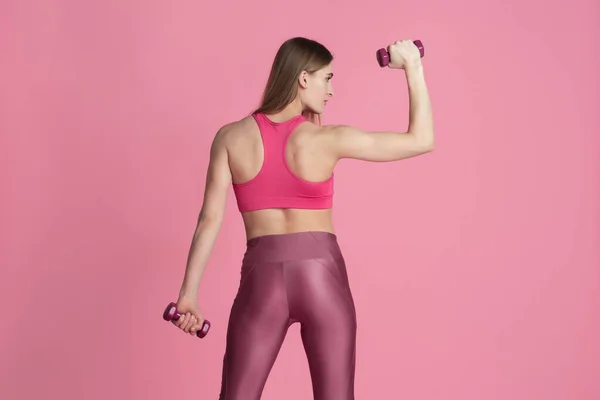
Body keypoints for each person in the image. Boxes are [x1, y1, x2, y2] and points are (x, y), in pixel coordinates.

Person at [171, 36, 434, 400]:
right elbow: (421, 139)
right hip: (322, 277)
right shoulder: (326, 139)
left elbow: (209, 220)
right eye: (327, 78)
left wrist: (188, 294)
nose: (331, 91)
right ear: (303, 78)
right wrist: (413, 67)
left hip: (261, 280)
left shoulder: (230, 138)